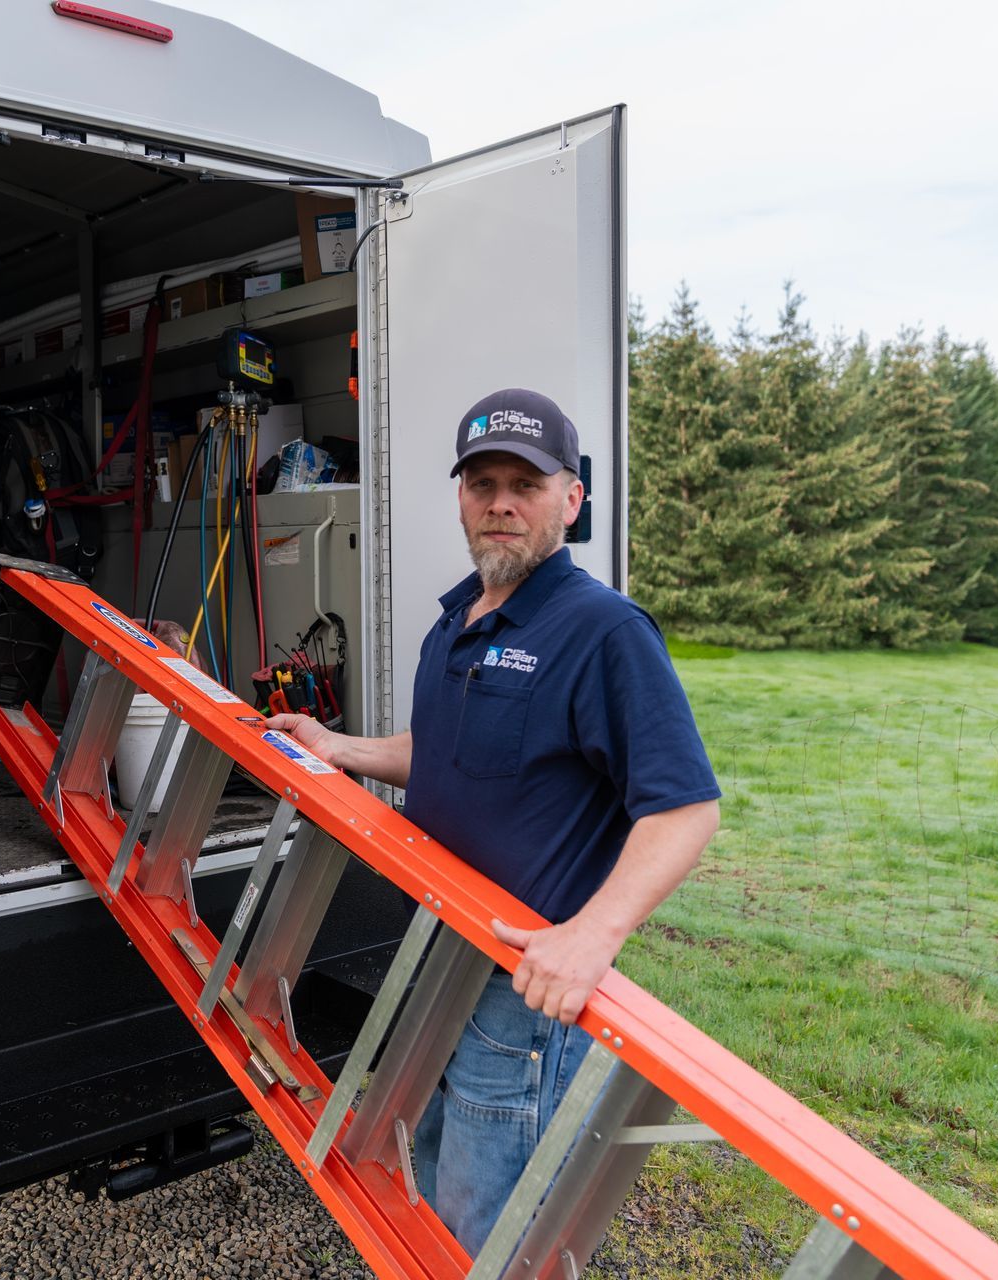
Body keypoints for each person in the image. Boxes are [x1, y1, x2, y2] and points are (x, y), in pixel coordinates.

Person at [267, 388, 721, 1252]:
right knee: (424, 1196)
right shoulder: (457, 621)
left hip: (516, 1001)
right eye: (482, 483)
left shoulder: (603, 633)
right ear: (462, 497)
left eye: (526, 483)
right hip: (429, 969)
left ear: (571, 499)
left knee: (487, 1233)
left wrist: (592, 937)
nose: (502, 503)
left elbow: (687, 807)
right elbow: (443, 750)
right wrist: (344, 747)